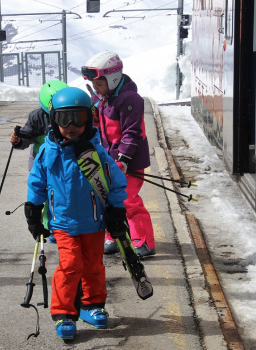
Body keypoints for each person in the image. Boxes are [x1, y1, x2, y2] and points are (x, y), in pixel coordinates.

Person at [24, 87, 128, 340]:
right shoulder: (48, 153)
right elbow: (36, 183)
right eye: (63, 119)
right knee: (70, 265)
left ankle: (91, 306)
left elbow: (116, 182)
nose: (71, 125)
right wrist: (33, 211)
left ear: (88, 119)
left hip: (94, 222)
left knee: (93, 265)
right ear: (53, 120)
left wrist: (116, 210)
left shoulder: (96, 152)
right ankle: (64, 313)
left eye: (78, 118)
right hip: (64, 223)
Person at [81, 50, 156, 257]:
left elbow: (133, 132)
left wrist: (123, 159)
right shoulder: (104, 98)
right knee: (106, 198)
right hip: (109, 159)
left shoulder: (130, 99)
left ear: (112, 79)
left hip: (129, 161)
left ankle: (145, 241)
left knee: (128, 200)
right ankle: (113, 235)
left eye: (99, 84)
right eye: (94, 85)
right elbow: (101, 128)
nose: (96, 89)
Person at [10, 80, 69, 170]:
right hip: (39, 161)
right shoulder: (36, 117)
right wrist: (19, 140)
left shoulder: (72, 115)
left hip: (64, 161)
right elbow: (27, 135)